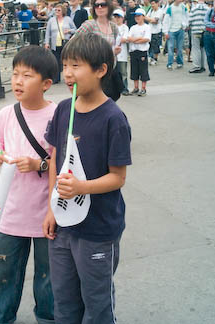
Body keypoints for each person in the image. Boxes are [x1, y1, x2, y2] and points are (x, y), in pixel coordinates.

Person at [43, 32, 131, 324]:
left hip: (97, 229)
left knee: (97, 302)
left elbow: (118, 178)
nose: (67, 73)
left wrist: (82, 187)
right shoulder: (64, 108)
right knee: (64, 298)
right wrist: (51, 208)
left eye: (76, 66)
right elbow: (56, 156)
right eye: (65, 65)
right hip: (64, 224)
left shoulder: (113, 119)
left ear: (101, 70)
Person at [0, 46, 57, 324]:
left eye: (27, 75)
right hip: (9, 211)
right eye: (15, 74)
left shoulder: (58, 115)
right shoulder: (6, 114)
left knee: (48, 276)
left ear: (46, 84)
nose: (18, 81)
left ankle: (49, 318)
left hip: (46, 214)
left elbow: (66, 165)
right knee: (3, 272)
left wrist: (38, 164)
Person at [44, 3, 76, 84]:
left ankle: (69, 76)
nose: (57, 12)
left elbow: (75, 29)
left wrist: (69, 31)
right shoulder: (51, 20)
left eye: (59, 10)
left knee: (66, 61)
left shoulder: (68, 19)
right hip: (55, 44)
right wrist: (47, 43)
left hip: (65, 43)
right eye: (56, 10)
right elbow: (48, 32)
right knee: (56, 61)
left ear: (63, 11)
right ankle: (56, 78)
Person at [124, 8, 151, 96]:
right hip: (133, 51)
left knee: (143, 70)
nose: (137, 17)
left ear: (143, 16)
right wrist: (139, 38)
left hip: (142, 51)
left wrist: (135, 40)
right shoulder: (133, 27)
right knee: (134, 70)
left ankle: (143, 88)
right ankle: (136, 87)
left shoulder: (147, 27)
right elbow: (129, 38)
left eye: (139, 16)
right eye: (136, 16)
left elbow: (146, 39)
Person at [162, 0, 189, 70]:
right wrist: (165, 32)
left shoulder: (183, 7)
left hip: (180, 29)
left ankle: (180, 63)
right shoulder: (170, 8)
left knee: (179, 47)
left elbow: (187, 16)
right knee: (170, 47)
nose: (181, 0)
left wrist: (185, 25)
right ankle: (169, 64)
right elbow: (166, 20)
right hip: (171, 30)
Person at [188, 0, 209, 73]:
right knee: (203, 48)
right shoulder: (208, 9)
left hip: (195, 31)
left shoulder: (194, 9)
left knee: (196, 48)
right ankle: (203, 65)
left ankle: (197, 66)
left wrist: (188, 26)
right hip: (205, 31)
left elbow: (190, 20)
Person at [113, 8, 130, 95]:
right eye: (115, 17)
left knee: (123, 72)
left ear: (122, 18)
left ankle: (125, 88)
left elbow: (125, 39)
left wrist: (119, 40)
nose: (116, 19)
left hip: (122, 53)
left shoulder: (125, 27)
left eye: (118, 17)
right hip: (113, 53)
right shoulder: (111, 27)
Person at [145, 0, 163, 65]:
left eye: (153, 4)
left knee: (156, 46)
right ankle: (150, 57)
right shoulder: (151, 10)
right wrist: (151, 19)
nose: (152, 5)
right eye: (151, 4)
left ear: (157, 4)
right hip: (150, 31)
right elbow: (145, 17)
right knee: (150, 45)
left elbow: (155, 21)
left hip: (157, 31)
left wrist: (150, 19)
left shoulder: (160, 11)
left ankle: (155, 59)